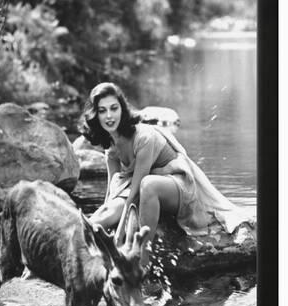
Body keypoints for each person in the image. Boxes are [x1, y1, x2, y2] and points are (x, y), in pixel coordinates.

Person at [81, 82, 252, 270]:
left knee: (148, 185)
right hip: (143, 189)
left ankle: (143, 257)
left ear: (122, 108)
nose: (109, 116)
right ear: (95, 115)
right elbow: (112, 191)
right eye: (102, 110)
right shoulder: (110, 147)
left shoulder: (143, 137)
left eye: (114, 108)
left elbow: (136, 190)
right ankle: (77, 245)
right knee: (106, 213)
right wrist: (102, 222)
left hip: (177, 185)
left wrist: (120, 231)